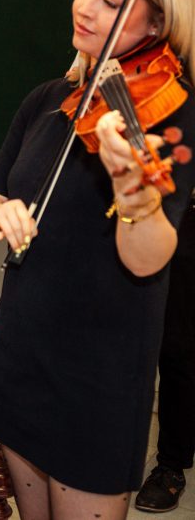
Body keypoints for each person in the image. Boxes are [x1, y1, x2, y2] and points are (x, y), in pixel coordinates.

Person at [0, 0, 195, 520]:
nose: (85, 7)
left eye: (112, 0)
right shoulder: (48, 99)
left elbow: (146, 259)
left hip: (98, 368)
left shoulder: (171, 114)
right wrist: (0, 213)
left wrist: (134, 192)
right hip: (22, 344)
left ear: (160, 23)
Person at [135, 195, 195, 513]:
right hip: (143, 211)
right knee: (125, 345)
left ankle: (172, 464)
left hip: (187, 218)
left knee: (179, 347)